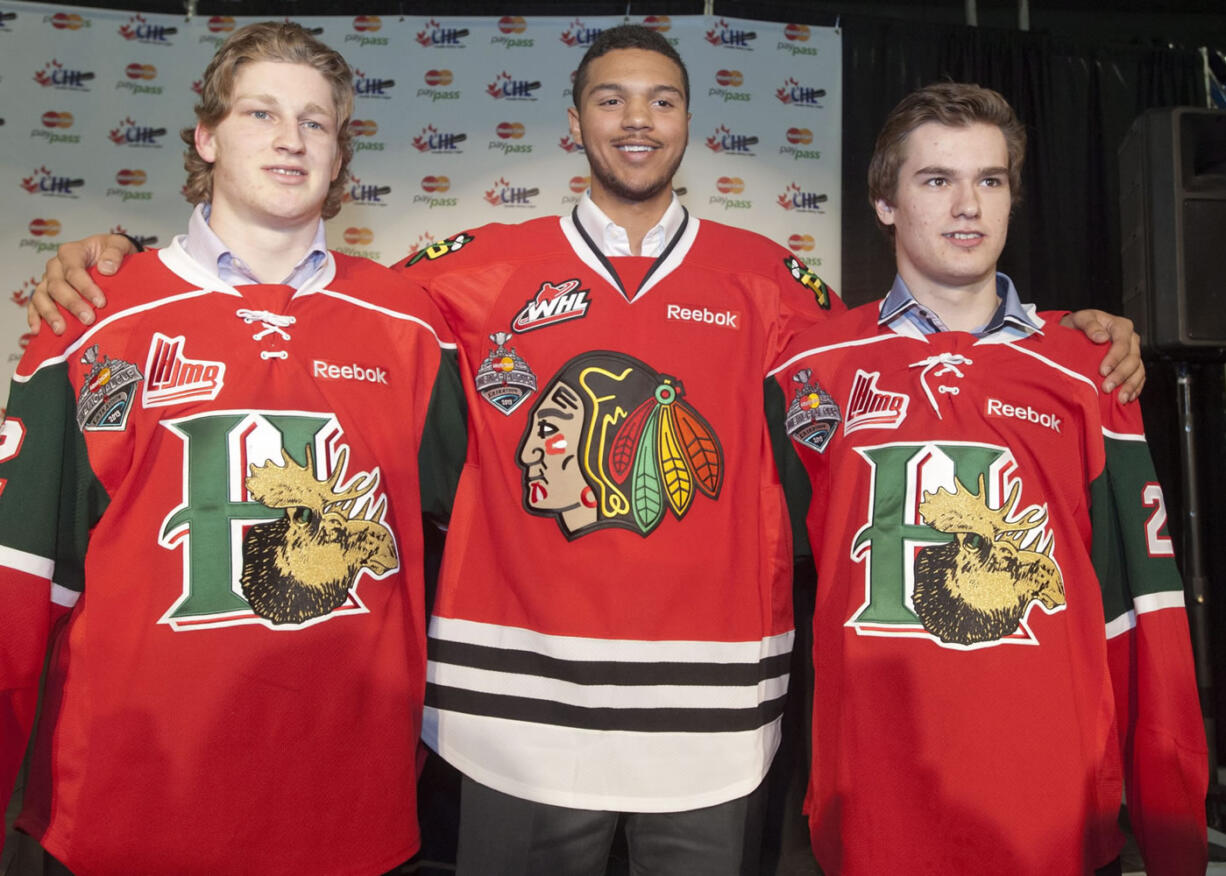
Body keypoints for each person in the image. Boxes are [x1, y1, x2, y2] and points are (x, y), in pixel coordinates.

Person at [26, 27, 1146, 875]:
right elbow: (286, 304)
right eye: (610, 98)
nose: (636, 119)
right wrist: (115, 258)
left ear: (687, 123)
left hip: (711, 717)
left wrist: (1061, 327)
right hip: (507, 712)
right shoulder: (454, 279)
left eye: (661, 99)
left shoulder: (769, 282)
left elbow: (891, 374)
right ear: (573, 124)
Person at [0, 22, 462, 875]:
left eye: (316, 121)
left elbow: (483, 541)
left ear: (339, 152)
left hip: (348, 813)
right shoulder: (92, 316)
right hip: (131, 811)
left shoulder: (415, 327)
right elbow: (22, 580)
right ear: (207, 137)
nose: (291, 138)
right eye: (261, 113)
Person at [770, 82, 1207, 874]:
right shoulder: (808, 367)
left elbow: (1147, 609)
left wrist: (1171, 822)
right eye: (937, 180)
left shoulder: (1091, 366)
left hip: (1051, 814)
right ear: (885, 203)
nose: (968, 205)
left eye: (991, 180)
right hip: (874, 813)